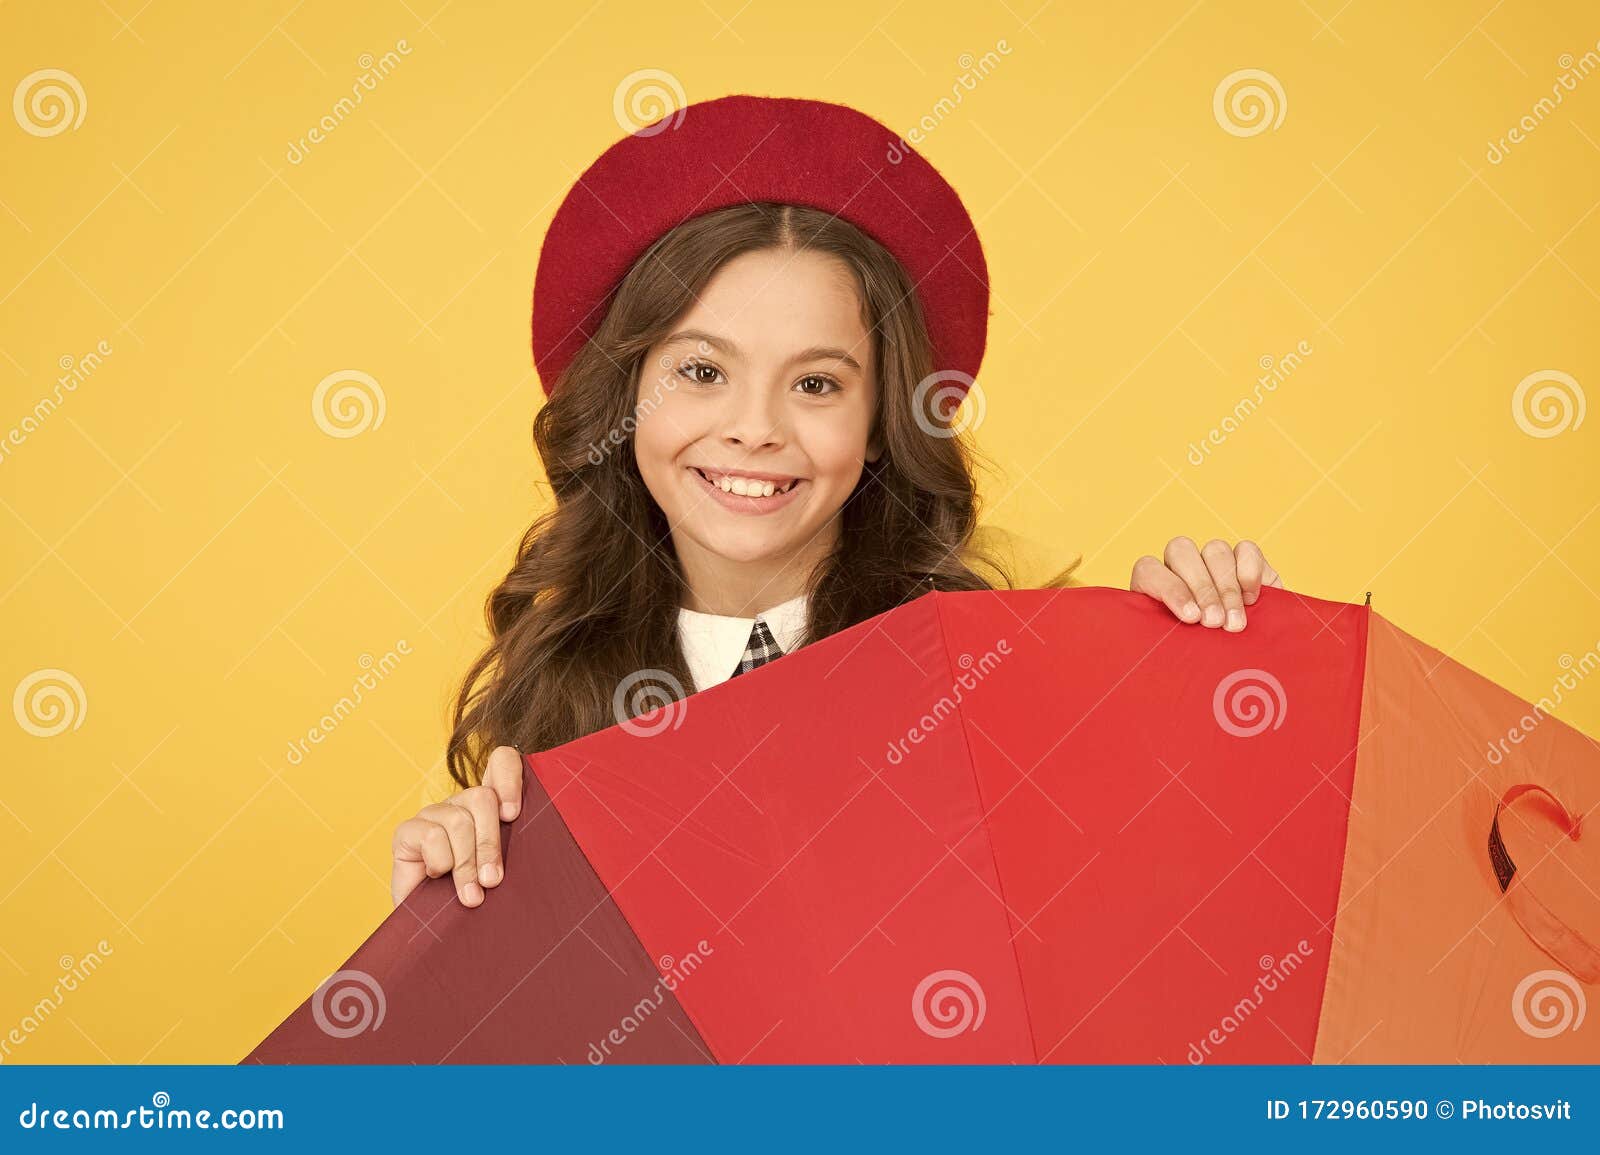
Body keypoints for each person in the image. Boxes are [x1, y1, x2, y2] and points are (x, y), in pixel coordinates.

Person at [390, 96, 1283, 909]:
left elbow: (1138, 938)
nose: (754, 429)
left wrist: (1188, 694)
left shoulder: (999, 686)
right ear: (626, 395)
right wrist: (440, 952)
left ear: (883, 422)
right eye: (702, 372)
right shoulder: (551, 706)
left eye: (816, 384)